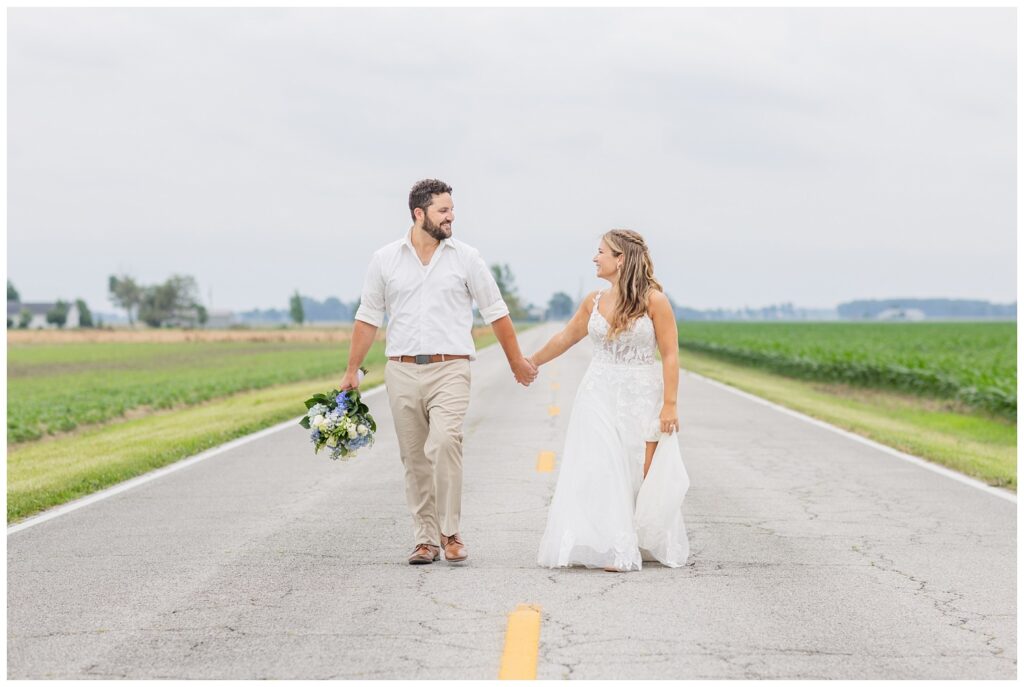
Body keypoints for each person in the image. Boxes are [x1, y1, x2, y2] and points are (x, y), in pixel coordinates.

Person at [340, 179, 538, 565]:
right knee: (414, 457)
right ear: (419, 214)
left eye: (452, 210)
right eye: (443, 211)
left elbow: (495, 310)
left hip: (451, 367)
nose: (451, 217)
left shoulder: (467, 258)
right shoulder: (385, 259)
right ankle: (425, 540)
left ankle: (450, 533)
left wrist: (516, 361)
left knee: (446, 442)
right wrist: (351, 371)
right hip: (401, 369)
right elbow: (368, 318)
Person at [530, 229, 690, 572]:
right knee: (601, 466)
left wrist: (670, 404)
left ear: (621, 259)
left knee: (637, 468)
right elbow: (564, 338)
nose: (594, 257)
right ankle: (612, 545)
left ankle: (638, 538)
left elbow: (671, 354)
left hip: (641, 393)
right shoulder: (593, 301)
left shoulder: (654, 301)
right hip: (597, 392)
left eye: (600, 251)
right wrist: (532, 362)